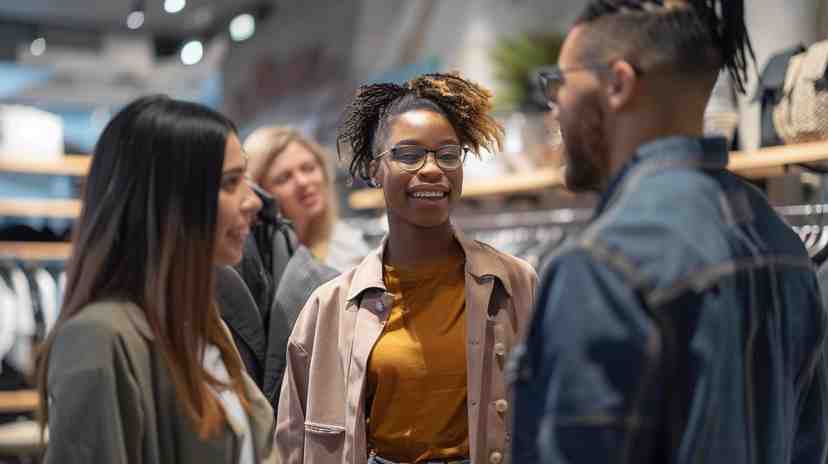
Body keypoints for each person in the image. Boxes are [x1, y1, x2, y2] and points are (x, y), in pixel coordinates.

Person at [512, 1, 828, 463]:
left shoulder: (603, 265)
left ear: (617, 83)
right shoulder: (782, 246)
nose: (554, 104)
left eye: (560, 82)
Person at [276, 72, 537, 464]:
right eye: (409, 154)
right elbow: (293, 444)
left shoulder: (515, 284)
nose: (432, 169)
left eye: (448, 154)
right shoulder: (329, 309)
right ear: (373, 170)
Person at [36, 95, 279, 463]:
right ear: (169, 201)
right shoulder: (102, 338)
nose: (254, 201)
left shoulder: (204, 326)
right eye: (231, 183)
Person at [244, 127, 372, 271]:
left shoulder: (347, 243)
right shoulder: (258, 268)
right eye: (284, 178)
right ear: (260, 193)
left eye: (308, 168)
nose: (303, 182)